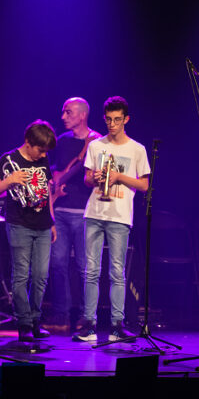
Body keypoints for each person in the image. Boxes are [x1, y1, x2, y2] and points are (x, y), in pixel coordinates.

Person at [75, 96, 151, 344]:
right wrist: (95, 178)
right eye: (108, 119)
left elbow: (143, 184)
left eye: (117, 120)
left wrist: (119, 176)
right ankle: (89, 324)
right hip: (95, 212)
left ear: (126, 119)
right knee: (91, 271)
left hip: (119, 215)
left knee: (117, 272)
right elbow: (86, 179)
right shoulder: (97, 145)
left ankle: (118, 325)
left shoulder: (136, 149)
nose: (112, 124)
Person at [0, 120, 57, 343]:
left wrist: (52, 220)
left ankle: (35, 319)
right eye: (40, 150)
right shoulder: (7, 159)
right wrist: (10, 180)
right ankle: (24, 322)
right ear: (28, 143)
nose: (43, 155)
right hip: (19, 223)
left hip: (42, 225)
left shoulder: (43, 159)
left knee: (41, 276)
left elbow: (48, 190)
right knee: (21, 275)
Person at [47, 97, 100, 332]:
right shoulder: (62, 141)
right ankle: (62, 314)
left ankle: (86, 315)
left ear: (81, 115)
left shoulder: (99, 142)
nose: (63, 117)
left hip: (84, 211)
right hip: (60, 210)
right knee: (57, 263)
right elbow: (55, 172)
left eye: (68, 113)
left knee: (84, 266)